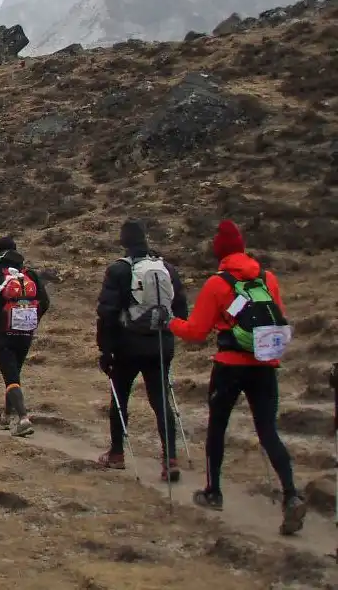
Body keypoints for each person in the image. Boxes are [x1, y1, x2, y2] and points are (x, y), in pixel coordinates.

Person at [170, 220, 304, 534]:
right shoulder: (267, 278)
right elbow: (278, 317)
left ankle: (213, 491)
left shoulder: (217, 284)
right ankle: (291, 494)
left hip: (230, 364)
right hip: (265, 364)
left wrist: (170, 323)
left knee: (217, 427)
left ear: (219, 253)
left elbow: (196, 332)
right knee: (268, 429)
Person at [95, 219, 189, 480]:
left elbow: (107, 313)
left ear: (123, 241)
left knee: (119, 396)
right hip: (161, 343)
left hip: (128, 345)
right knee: (161, 401)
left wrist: (106, 349)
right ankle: (170, 458)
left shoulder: (119, 271)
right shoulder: (166, 269)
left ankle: (116, 454)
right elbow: (181, 308)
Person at [0, 236, 50, 437]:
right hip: (25, 332)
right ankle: (7, 415)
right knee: (14, 373)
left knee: (10, 376)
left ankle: (24, 419)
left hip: (3, 333)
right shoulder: (30, 275)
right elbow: (45, 301)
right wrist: (31, 320)